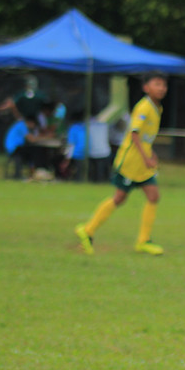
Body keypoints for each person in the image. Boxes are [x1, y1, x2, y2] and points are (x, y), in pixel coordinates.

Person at [75, 72, 168, 256]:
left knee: (153, 196)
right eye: (157, 84)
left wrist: (151, 154)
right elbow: (134, 134)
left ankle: (143, 241)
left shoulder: (157, 108)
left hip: (141, 163)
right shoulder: (144, 108)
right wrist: (146, 158)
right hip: (131, 162)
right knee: (119, 198)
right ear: (146, 88)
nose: (162, 88)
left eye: (163, 85)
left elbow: (145, 138)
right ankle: (87, 230)